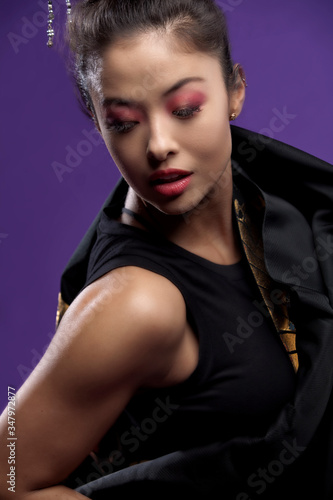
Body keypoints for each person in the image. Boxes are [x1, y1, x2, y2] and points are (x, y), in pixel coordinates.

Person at [0, 0, 332, 498]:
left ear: (235, 90)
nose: (159, 145)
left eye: (184, 109)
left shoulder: (273, 194)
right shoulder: (137, 303)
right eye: (124, 121)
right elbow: (9, 480)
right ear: (96, 119)